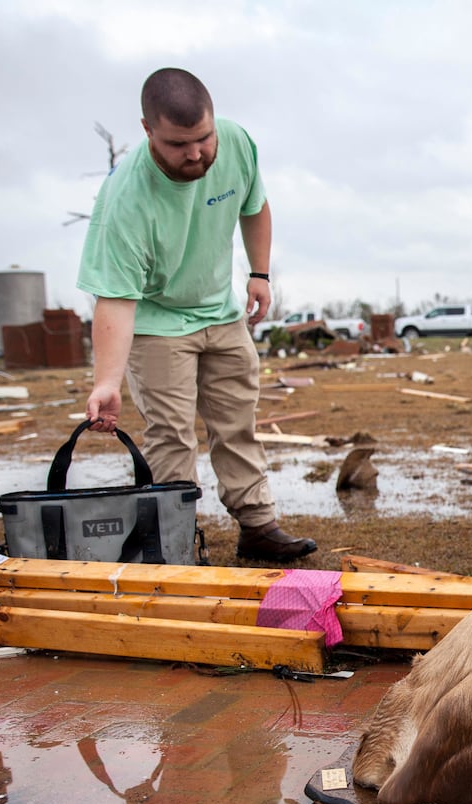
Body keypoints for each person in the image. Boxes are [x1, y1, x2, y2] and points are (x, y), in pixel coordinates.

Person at [77, 68, 316, 562]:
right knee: (172, 435)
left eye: (203, 138)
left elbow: (255, 204)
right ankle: (174, 541)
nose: (197, 153)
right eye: (179, 144)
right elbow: (116, 300)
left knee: (237, 423)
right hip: (158, 323)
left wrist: (260, 273)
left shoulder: (234, 142)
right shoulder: (125, 200)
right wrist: (107, 381)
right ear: (148, 131)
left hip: (221, 314)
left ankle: (257, 527)